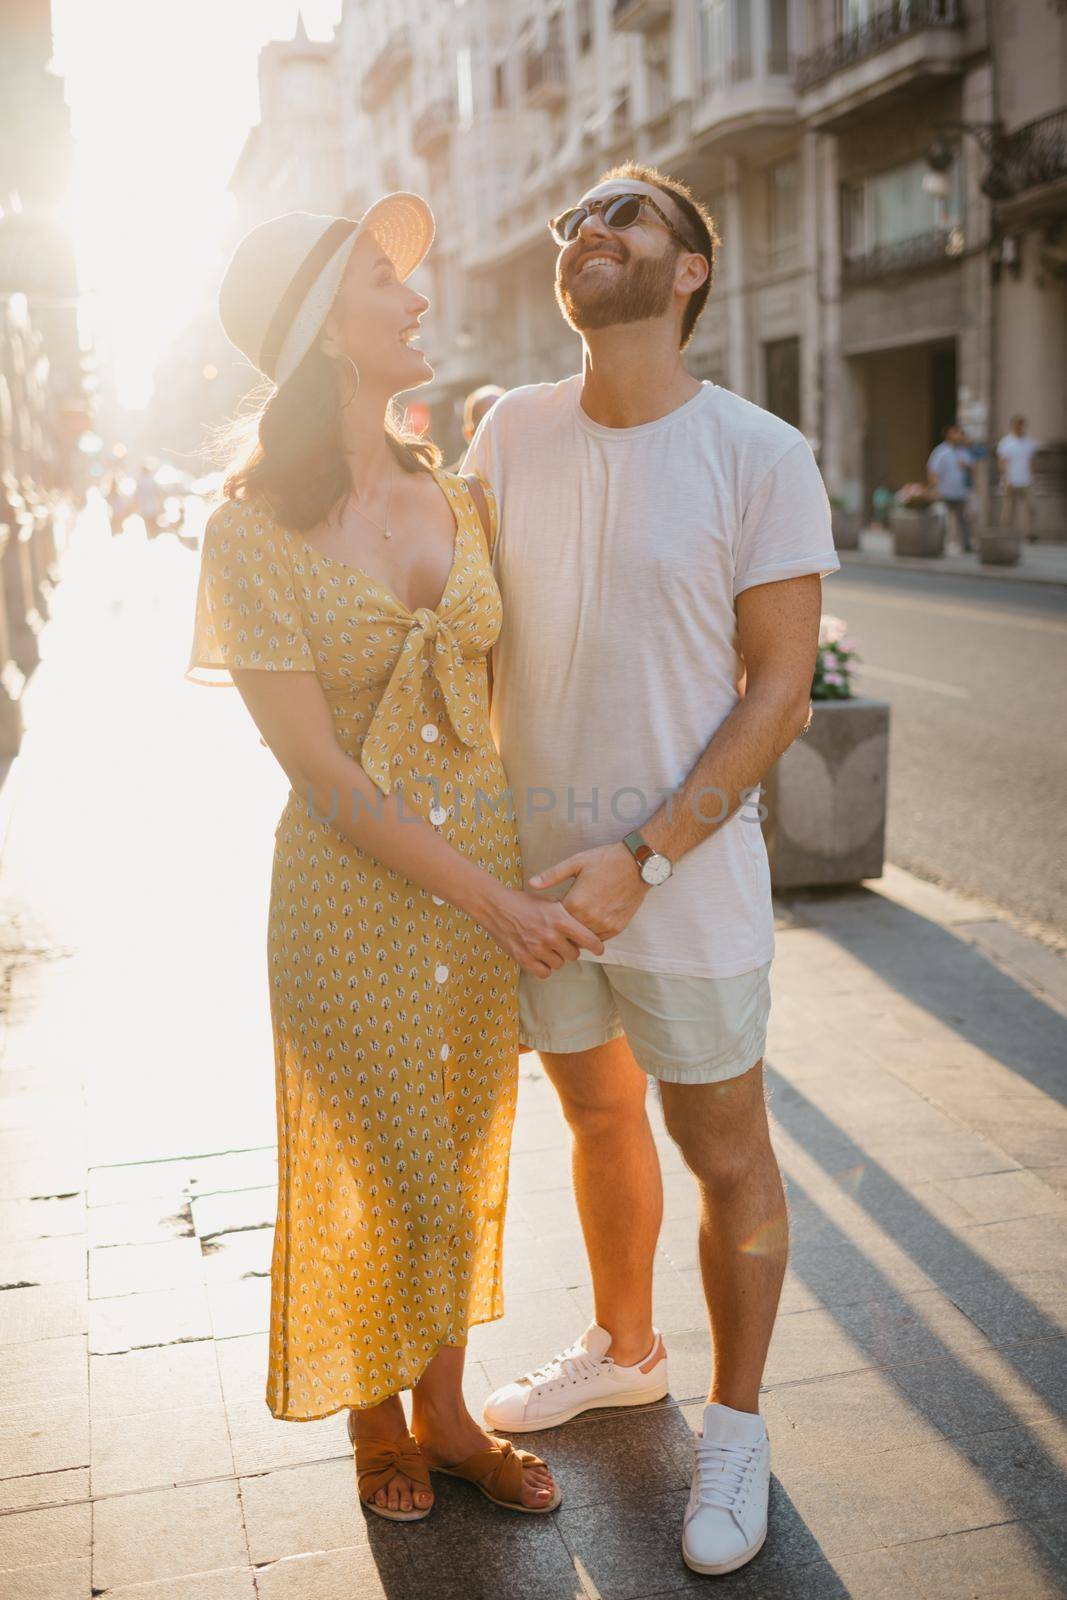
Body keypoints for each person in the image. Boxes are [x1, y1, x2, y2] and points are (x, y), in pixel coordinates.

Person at [187, 197, 606, 1523]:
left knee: (463, 1153)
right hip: (348, 893)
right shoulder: (245, 533)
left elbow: (527, 685)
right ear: (321, 330)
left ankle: (444, 1411)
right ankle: (377, 1415)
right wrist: (492, 897)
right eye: (383, 281)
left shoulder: (454, 493)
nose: (416, 299)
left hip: (482, 885)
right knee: (384, 1164)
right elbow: (321, 776)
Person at [463, 162, 840, 1577]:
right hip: (538, 885)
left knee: (722, 1152)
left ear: (686, 270)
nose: (586, 234)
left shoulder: (758, 452)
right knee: (598, 1124)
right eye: (571, 220)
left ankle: (734, 1430)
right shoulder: (506, 432)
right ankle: (624, 1353)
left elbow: (779, 689)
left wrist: (645, 852)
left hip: (678, 878)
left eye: (624, 216)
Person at [927, 422, 975, 553]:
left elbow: (972, 471)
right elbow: (933, 471)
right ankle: (938, 546)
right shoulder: (941, 452)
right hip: (944, 491)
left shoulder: (964, 452)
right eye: (956, 432)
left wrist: (967, 467)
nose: (959, 435)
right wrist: (935, 489)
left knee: (963, 519)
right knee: (942, 519)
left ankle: (965, 545)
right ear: (949, 434)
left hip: (960, 491)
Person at [997, 414, 1039, 542]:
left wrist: (1033, 476)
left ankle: (1030, 533)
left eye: (1022, 425)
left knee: (1031, 507)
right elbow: (1001, 462)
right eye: (1018, 424)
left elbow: (1032, 461)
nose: (1021, 427)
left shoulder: (1029, 443)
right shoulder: (1006, 443)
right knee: (1009, 509)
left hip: (1026, 480)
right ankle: (1007, 533)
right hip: (1011, 480)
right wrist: (1005, 478)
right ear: (1013, 426)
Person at [448, 383, 506, 472]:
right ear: (469, 433)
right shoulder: (451, 483)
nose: (496, 430)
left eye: (503, 420)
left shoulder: (525, 472)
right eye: (486, 423)